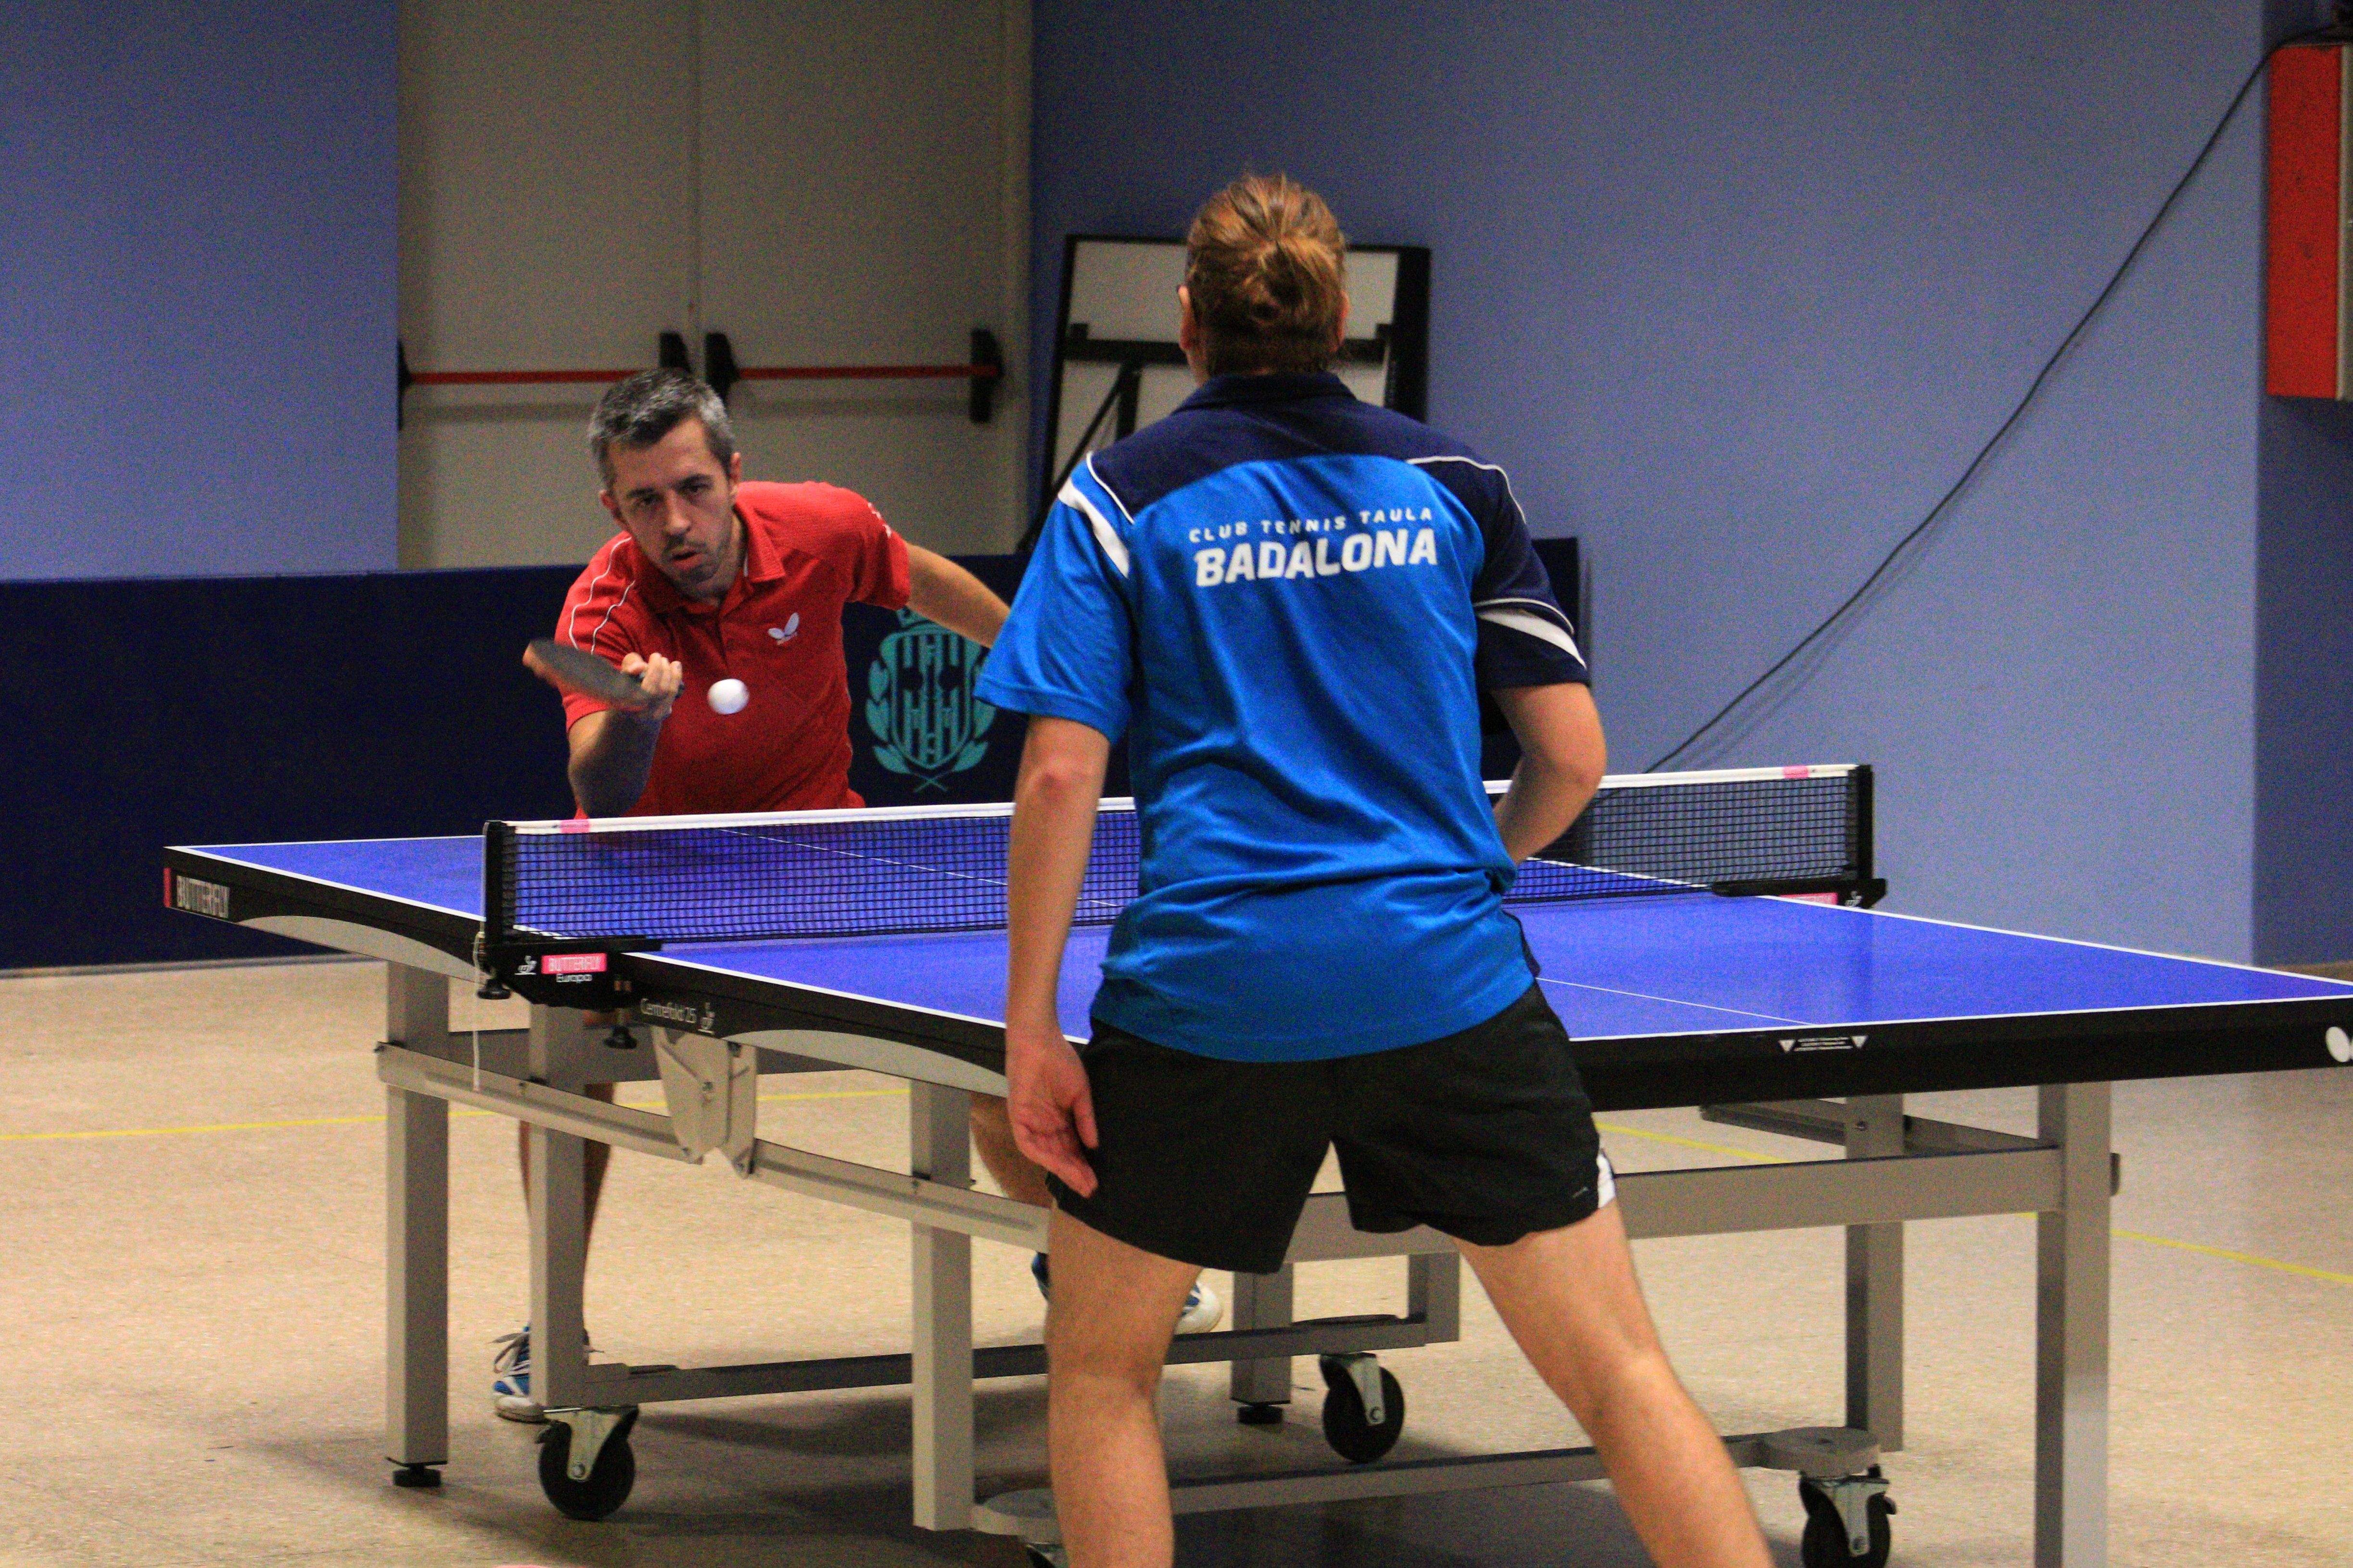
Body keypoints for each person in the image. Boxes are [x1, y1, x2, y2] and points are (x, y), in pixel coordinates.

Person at [978, 177, 1775, 1568]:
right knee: (1618, 1373)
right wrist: (1475, 866)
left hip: (1206, 994)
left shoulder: (1115, 495)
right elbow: (1572, 759)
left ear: (1185, 326)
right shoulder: (1453, 483)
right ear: (1344, 319)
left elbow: (1058, 775)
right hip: (1444, 986)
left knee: (1103, 1372)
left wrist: (1032, 1020)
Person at [495, 370, 1220, 1424]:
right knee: (563, 1054)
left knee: (987, 1030)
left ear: (734, 476)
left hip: (820, 863)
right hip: (647, 881)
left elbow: (918, 579)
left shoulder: (821, 527)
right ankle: (552, 1320)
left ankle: (1084, 1261)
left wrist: (1041, 667)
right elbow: (596, 790)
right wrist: (636, 720)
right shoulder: (603, 609)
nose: (675, 522)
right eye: (644, 502)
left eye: (693, 488)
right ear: (614, 508)